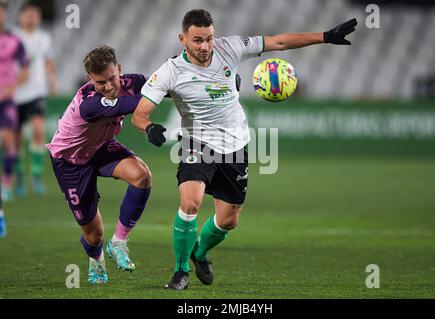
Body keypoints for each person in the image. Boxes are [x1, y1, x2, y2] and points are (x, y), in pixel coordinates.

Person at [132, 9, 357, 290]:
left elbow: (279, 42)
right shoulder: (170, 71)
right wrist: (150, 127)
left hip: (235, 145)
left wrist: (325, 36)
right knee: (190, 203)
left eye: (209, 39)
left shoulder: (231, 47)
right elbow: (140, 115)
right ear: (183, 39)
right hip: (197, 142)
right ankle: (180, 272)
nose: (205, 46)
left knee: (228, 220)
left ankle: (199, 253)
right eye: (197, 40)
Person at [46, 45, 152, 284]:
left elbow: (163, 83)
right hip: (70, 162)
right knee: (94, 235)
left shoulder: (129, 83)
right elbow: (131, 104)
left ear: (120, 70)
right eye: (100, 82)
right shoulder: (89, 103)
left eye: (112, 78)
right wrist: (156, 92)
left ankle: (118, 243)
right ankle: (96, 261)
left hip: (100, 148)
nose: (108, 87)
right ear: (89, 79)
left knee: (142, 176)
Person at [14, 2, 58, 197]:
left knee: (38, 130)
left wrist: (52, 79)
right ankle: (19, 175)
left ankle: (36, 174)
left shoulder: (44, 38)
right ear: (21, 16)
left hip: (36, 91)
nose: (32, 17)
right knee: (16, 139)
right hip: (15, 92)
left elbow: (48, 61)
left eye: (35, 14)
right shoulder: (12, 37)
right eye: (28, 14)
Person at [0, 0, 30, 203]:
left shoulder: (14, 41)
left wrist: (10, 88)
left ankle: (7, 183)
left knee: (8, 140)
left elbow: (25, 71)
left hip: (6, 100)